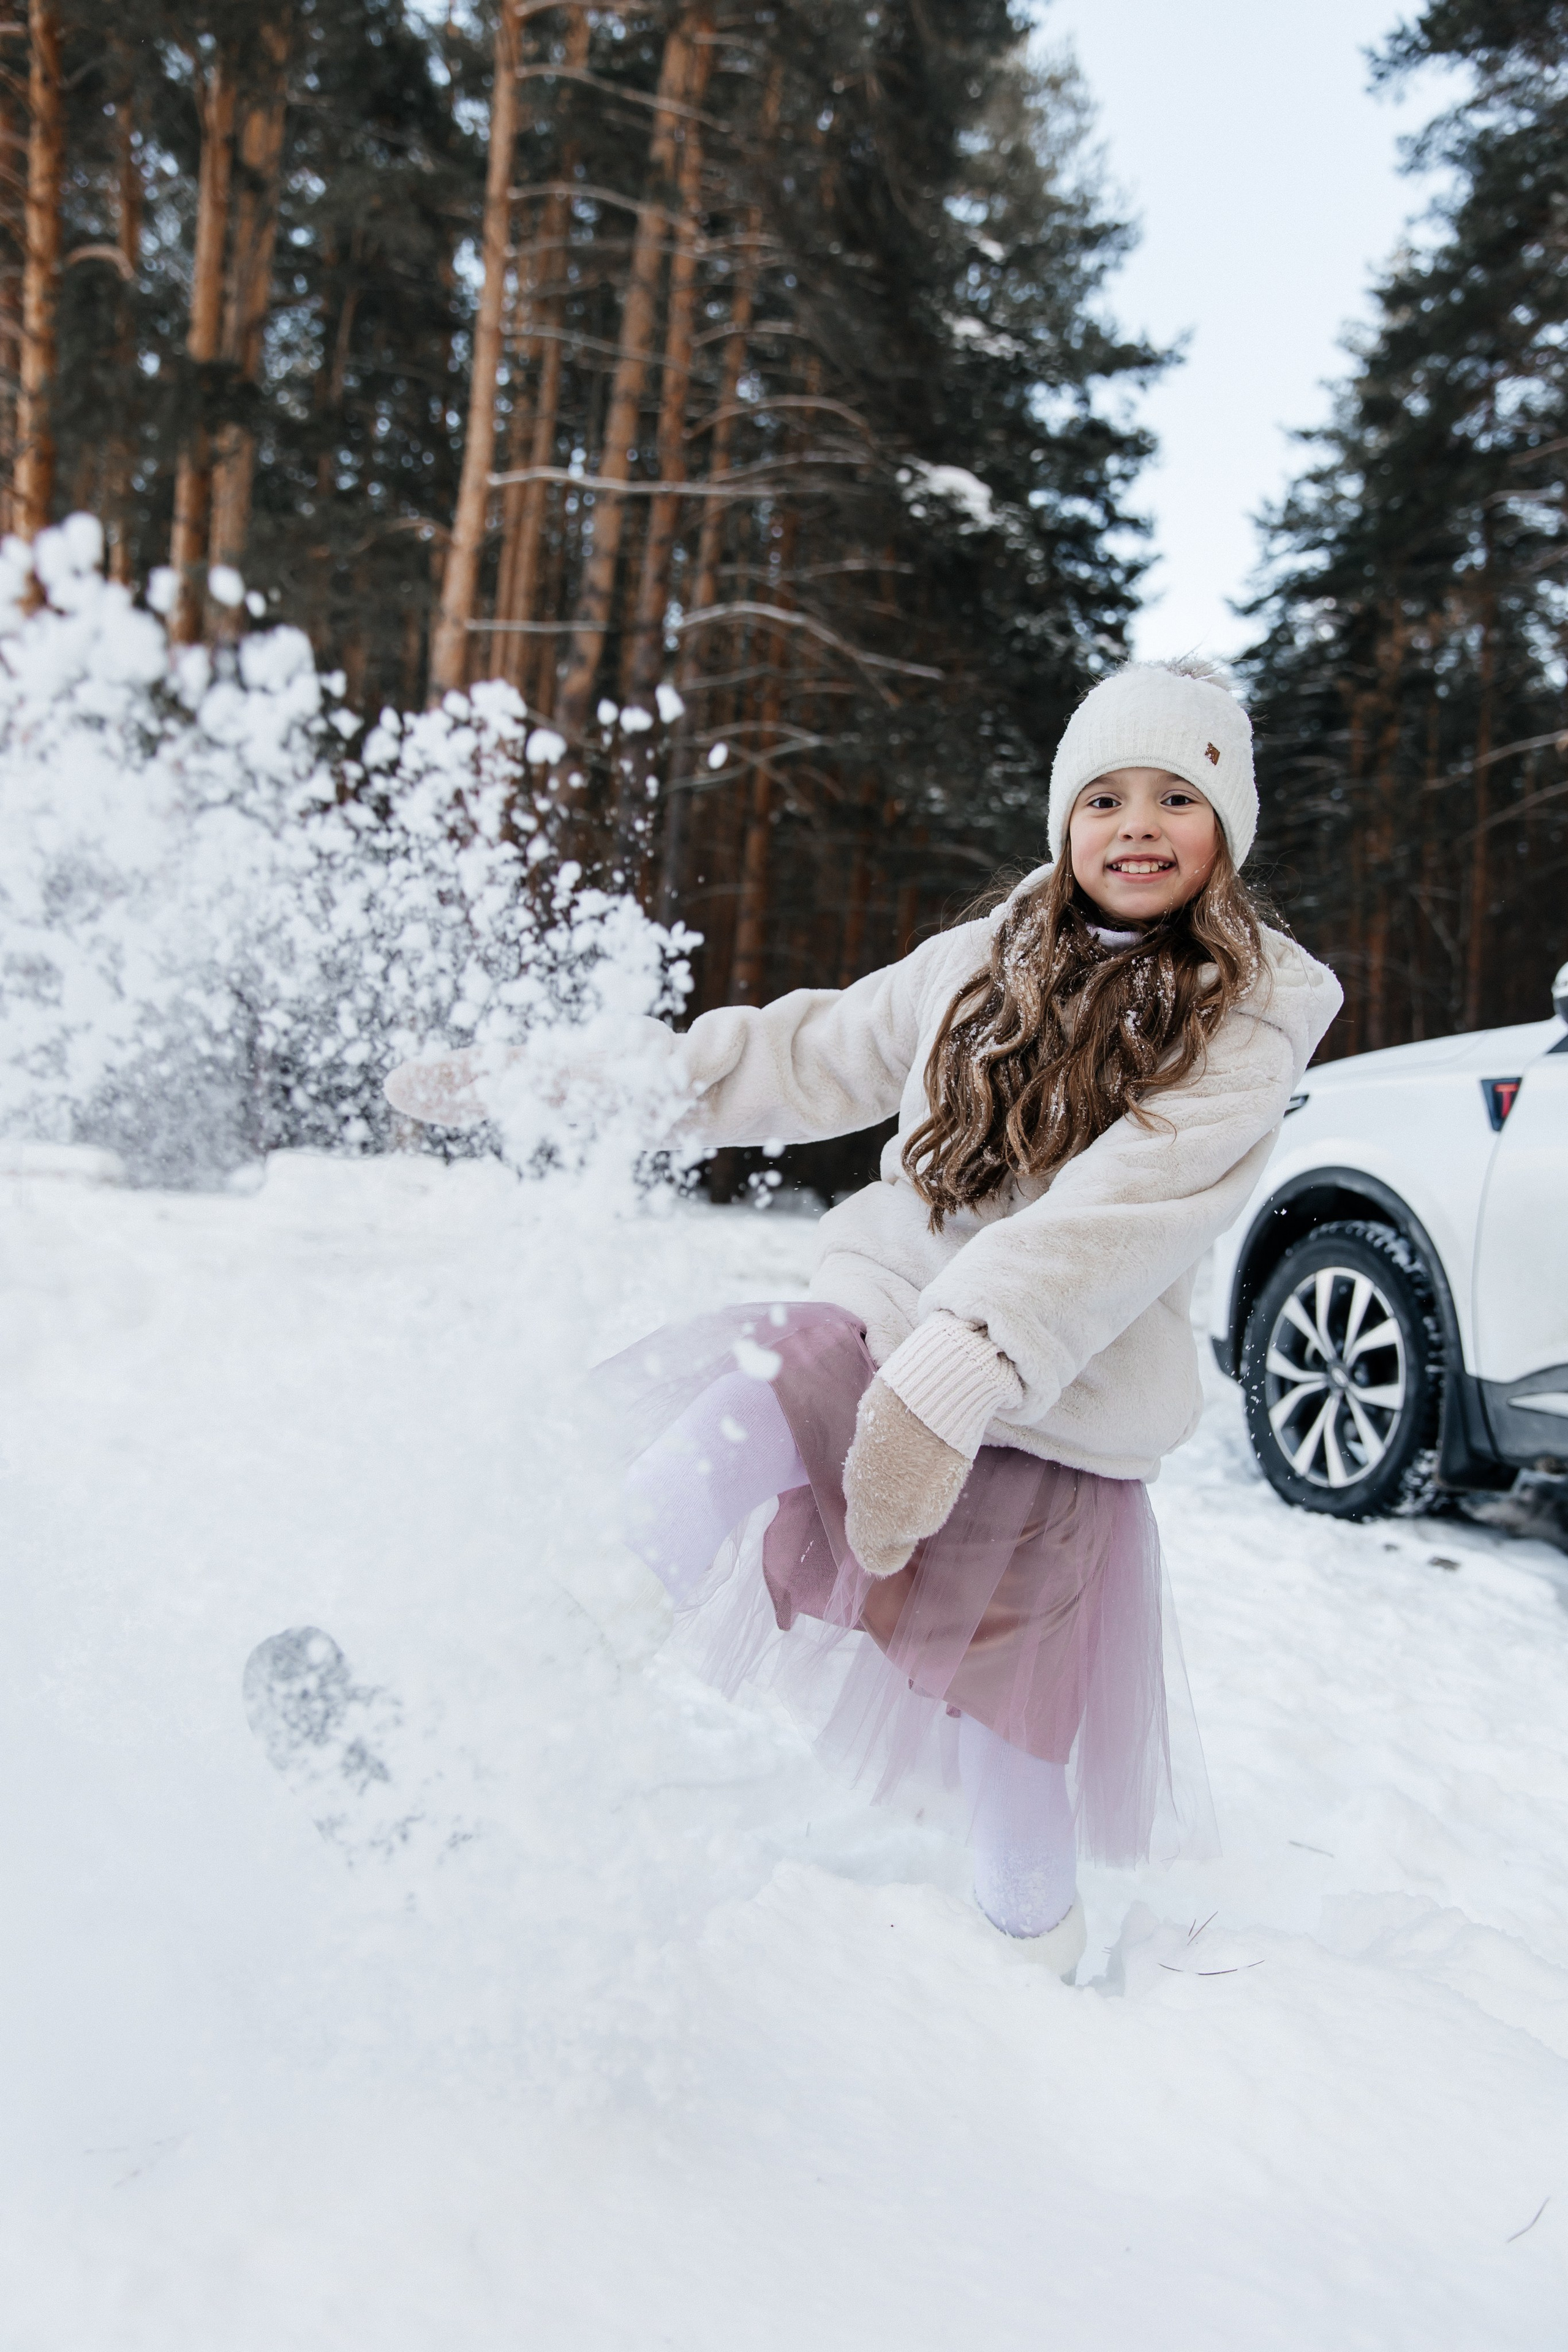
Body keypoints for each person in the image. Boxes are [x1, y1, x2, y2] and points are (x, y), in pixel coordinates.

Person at [388, 659, 1343, 1980]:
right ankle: (461, 1747)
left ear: (1224, 831)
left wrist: (960, 1370)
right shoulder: (983, 959)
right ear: (1063, 819)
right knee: (741, 1410)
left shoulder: (1248, 1015)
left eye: (1175, 797)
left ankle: (1032, 1985)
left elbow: (1119, 1215)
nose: (1134, 825)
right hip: (877, 1332)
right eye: (1103, 796)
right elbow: (798, 1053)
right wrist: (559, 1084)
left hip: (1053, 1417)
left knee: (1009, 1758)